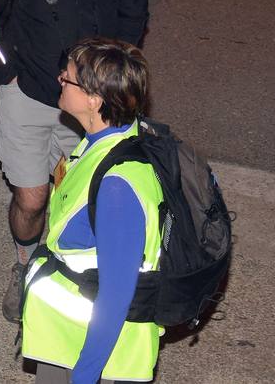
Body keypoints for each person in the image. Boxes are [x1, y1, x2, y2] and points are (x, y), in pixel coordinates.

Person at [0, 0, 149, 323]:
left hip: (92, 106)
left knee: (83, 200)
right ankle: (24, 267)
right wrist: (7, 72)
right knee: (32, 199)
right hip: (30, 94)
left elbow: (135, 19)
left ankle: (72, 273)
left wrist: (108, 84)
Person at [21, 37, 166, 384]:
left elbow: (116, 297)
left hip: (101, 356)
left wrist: (84, 376)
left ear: (94, 100)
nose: (59, 78)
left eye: (67, 77)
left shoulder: (118, 187)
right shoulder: (103, 140)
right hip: (68, 335)